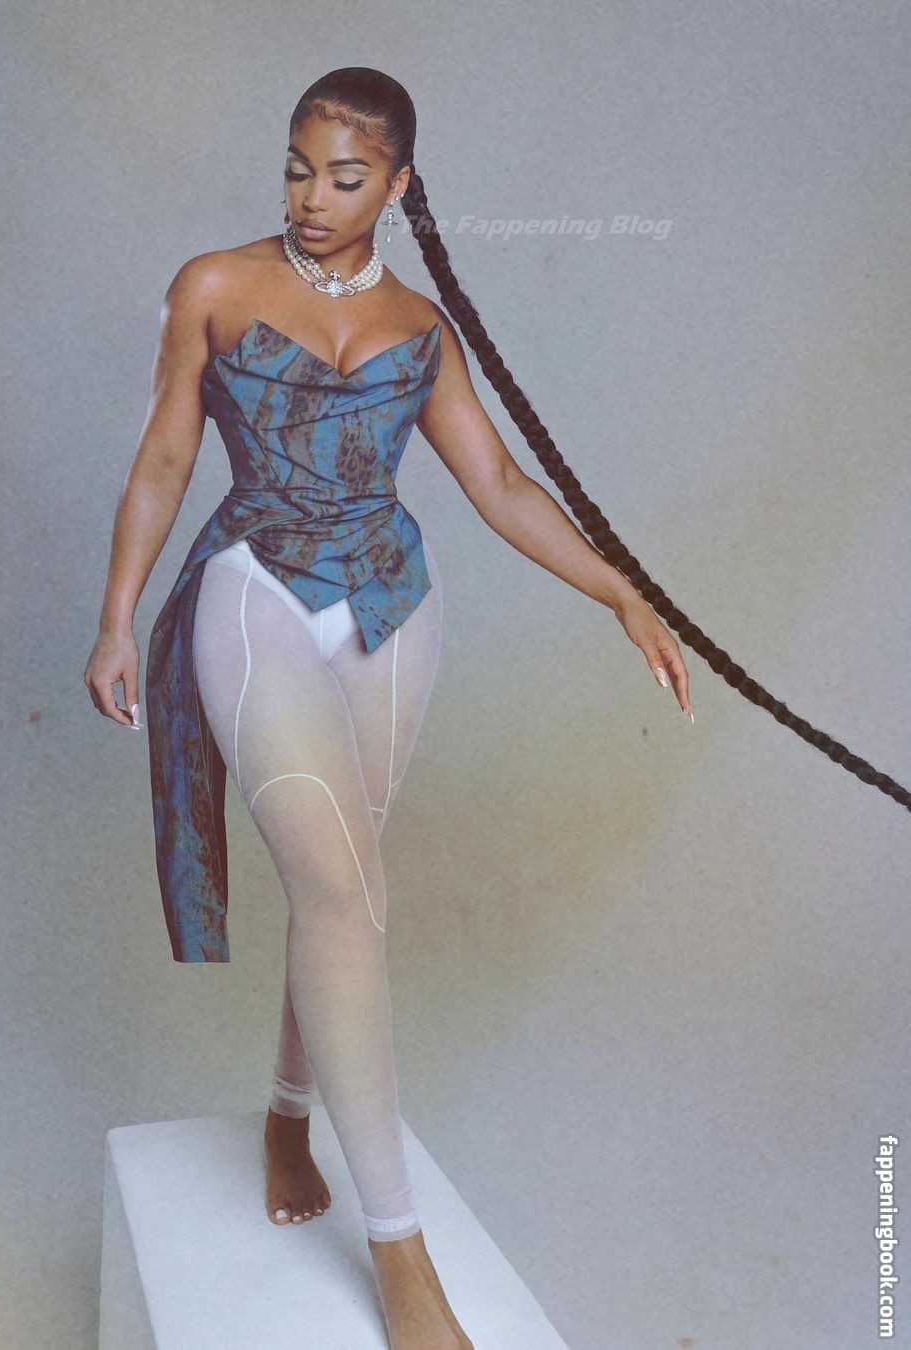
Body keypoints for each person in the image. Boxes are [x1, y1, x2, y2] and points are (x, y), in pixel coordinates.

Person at [84, 65, 905, 1350]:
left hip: (395, 609)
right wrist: (118, 614)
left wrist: (624, 593)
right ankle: (401, 1254)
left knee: (344, 890)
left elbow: (504, 487)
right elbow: (167, 455)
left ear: (398, 185)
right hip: (256, 590)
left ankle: (289, 1117)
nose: (311, 198)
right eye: (297, 169)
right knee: (343, 893)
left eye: (345, 178)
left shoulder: (422, 326)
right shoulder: (215, 286)